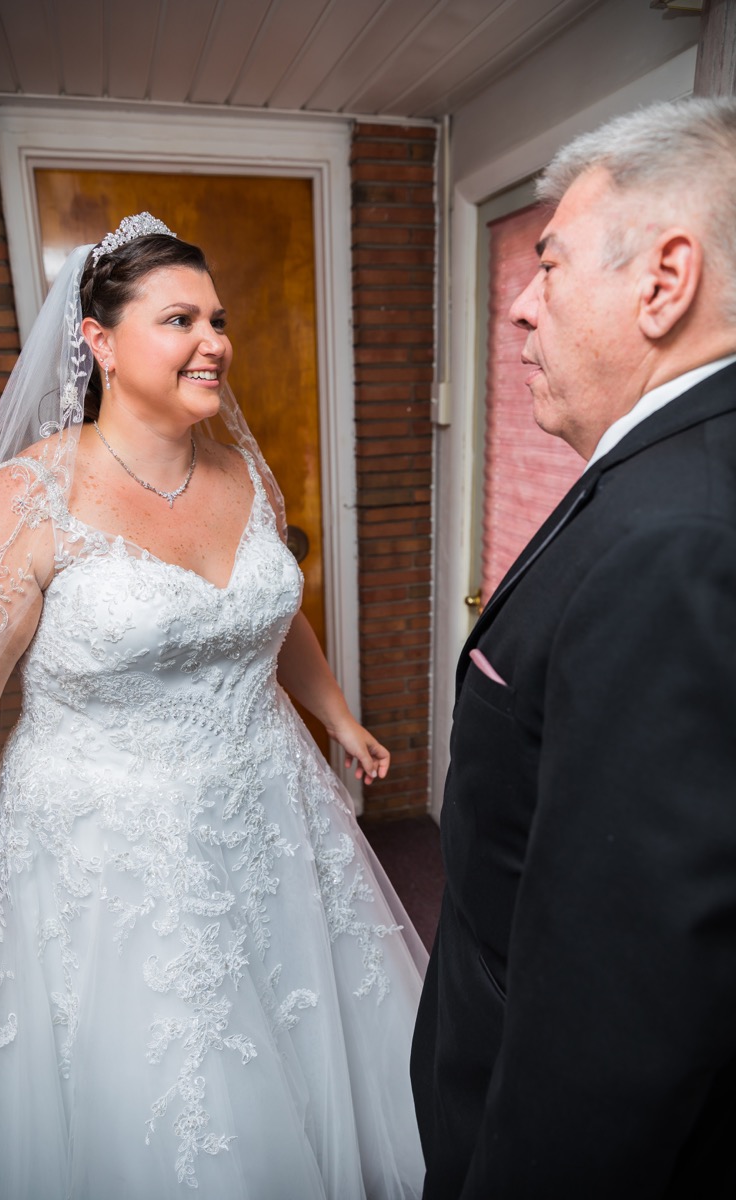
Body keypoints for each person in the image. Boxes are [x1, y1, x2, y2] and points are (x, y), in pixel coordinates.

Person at [0, 214, 426, 1199]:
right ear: (101, 342)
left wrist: (335, 713)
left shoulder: (242, 471)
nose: (214, 342)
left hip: (271, 813)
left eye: (217, 319)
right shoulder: (28, 499)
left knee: (305, 1039)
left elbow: (267, 610)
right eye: (179, 320)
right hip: (110, 853)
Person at [410, 96, 736, 1197]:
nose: (519, 304)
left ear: (664, 280)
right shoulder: (662, 460)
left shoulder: (679, 539)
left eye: (547, 264)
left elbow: (622, 994)